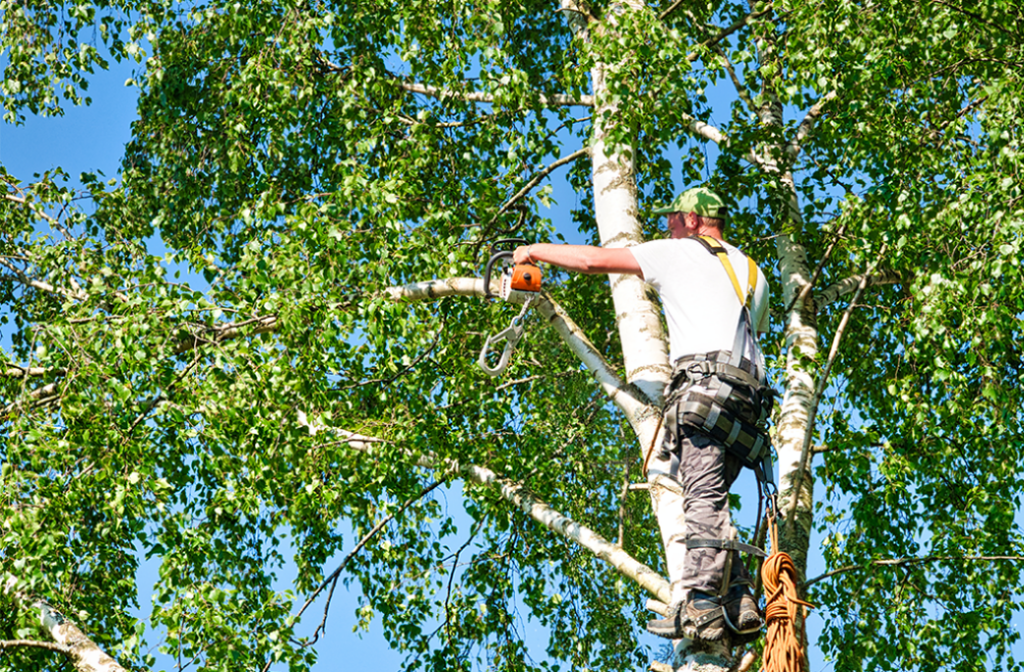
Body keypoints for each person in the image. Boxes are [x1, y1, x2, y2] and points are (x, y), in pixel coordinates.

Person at [511, 187, 770, 642]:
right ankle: (741, 597)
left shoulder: (679, 252)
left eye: (673, 219)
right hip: (747, 405)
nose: (667, 226)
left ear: (693, 220)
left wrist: (534, 251)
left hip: (704, 395)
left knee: (701, 500)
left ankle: (702, 606)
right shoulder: (752, 272)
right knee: (710, 499)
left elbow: (594, 261)